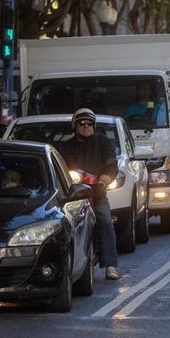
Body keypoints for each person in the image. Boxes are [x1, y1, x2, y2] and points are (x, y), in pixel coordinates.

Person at [58, 108, 121, 280]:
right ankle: (65, 266)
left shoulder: (103, 143)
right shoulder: (65, 147)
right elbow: (59, 169)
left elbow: (111, 164)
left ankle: (110, 265)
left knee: (105, 220)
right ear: (75, 126)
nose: (87, 127)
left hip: (97, 193)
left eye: (90, 124)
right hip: (73, 197)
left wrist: (105, 178)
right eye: (82, 124)